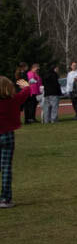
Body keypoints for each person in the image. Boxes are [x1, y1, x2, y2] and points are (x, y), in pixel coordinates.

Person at [0, 76, 33, 207]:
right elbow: (26, 93)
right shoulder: (13, 100)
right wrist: (26, 85)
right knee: (6, 168)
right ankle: (5, 199)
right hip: (7, 135)